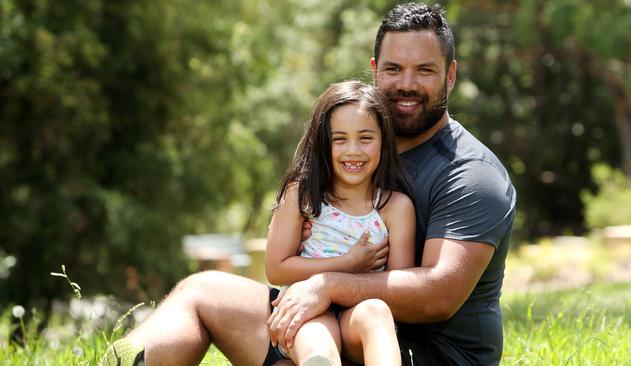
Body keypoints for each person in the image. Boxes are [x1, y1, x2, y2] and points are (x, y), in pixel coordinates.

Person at [100, 2, 516, 366]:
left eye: (424, 70)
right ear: (374, 72)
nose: (406, 84)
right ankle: (128, 358)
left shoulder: (470, 173)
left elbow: (438, 295)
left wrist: (328, 283)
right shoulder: (357, 155)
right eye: (393, 69)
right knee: (201, 290)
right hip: (331, 335)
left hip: (416, 352)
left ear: (450, 76)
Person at [264, 80, 415, 365]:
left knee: (377, 312)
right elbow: (276, 269)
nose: (353, 150)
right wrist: (347, 264)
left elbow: (399, 289)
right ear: (322, 142)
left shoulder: (395, 208)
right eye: (340, 139)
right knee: (318, 342)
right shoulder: (303, 194)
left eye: (366, 138)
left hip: (358, 315)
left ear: (384, 141)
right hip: (308, 310)